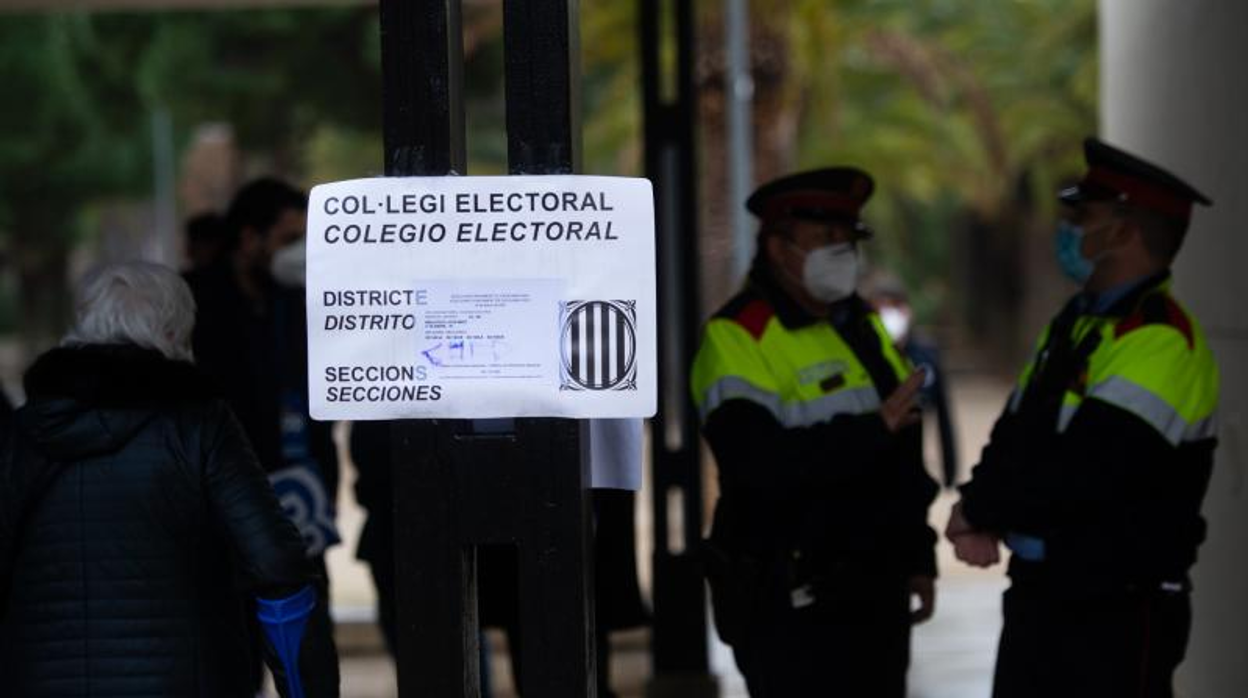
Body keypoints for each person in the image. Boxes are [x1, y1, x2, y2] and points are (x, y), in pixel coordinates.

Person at [946, 137, 1219, 698]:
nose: (1067, 229)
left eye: (1083, 217)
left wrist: (978, 511)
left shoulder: (1160, 341)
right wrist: (980, 503)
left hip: (1116, 611)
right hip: (1045, 595)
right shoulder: (1076, 323)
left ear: (1123, 232)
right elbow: (1016, 432)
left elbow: (1083, 472)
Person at [0, 261, 338, 696]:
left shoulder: (23, 433)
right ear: (175, 332)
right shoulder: (201, 426)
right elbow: (276, 564)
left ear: (83, 325)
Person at [691, 167, 939, 697]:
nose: (841, 251)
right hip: (790, 600)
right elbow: (756, 465)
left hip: (875, 592)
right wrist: (871, 429)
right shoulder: (738, 336)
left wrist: (918, 556)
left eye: (848, 239)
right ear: (778, 248)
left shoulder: (860, 324)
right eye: (825, 238)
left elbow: (903, 453)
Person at [187, 177, 341, 686]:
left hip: (299, 507)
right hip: (219, 514)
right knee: (231, 662)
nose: (298, 252)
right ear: (249, 238)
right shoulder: (195, 304)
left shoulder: (298, 302)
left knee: (307, 656)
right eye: (288, 239)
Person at [867, 276, 960, 487]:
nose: (890, 315)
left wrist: (950, 470)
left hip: (913, 470)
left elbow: (943, 414)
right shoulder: (866, 355)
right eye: (883, 307)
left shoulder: (926, 353)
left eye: (896, 306)